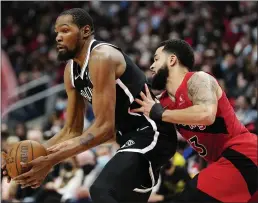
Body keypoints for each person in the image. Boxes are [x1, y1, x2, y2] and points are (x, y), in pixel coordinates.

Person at [2, 8, 177, 203]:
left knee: (101, 189)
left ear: (85, 31)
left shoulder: (101, 57)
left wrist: (50, 161)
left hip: (151, 133)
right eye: (56, 32)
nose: (58, 37)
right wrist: (26, 161)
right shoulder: (71, 71)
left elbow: (104, 129)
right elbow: (71, 130)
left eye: (65, 31)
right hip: (129, 140)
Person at [132, 39, 258, 202]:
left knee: (189, 197)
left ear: (172, 60)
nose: (151, 66)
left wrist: (160, 113)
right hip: (225, 163)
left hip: (245, 153)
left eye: (156, 59)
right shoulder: (161, 102)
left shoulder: (198, 80)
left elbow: (206, 114)